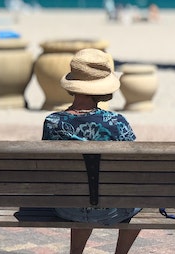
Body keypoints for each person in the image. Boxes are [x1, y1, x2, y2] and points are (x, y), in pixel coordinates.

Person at [42, 48, 141, 254]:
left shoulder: (52, 122)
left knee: (81, 189)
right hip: (112, 209)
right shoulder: (116, 123)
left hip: (66, 208)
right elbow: (133, 166)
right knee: (140, 197)